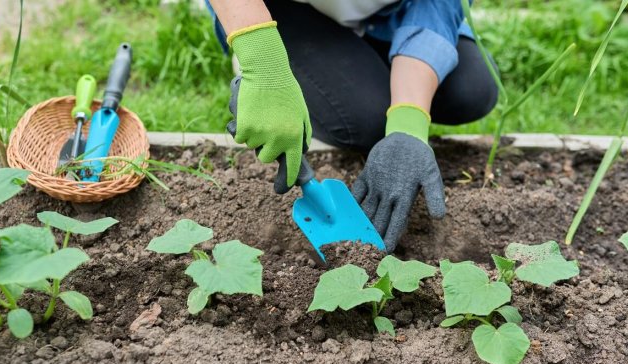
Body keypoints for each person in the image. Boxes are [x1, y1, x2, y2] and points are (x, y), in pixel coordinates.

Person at [206, 0, 498, 253]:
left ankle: (360, 62)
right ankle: (280, 57)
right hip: (284, 11)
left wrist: (407, 122)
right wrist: (264, 66)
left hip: (388, 13)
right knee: (366, 122)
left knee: (471, 90)